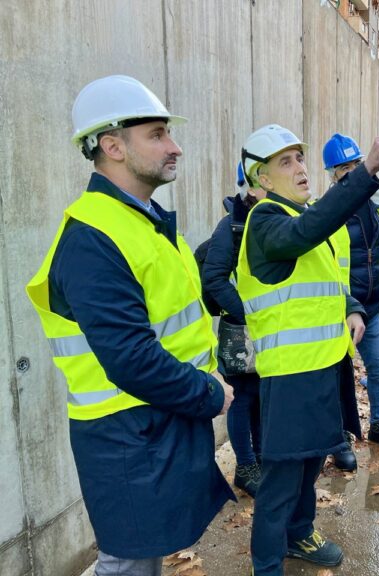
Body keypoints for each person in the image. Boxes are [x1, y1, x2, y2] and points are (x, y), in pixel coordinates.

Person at [25, 75, 235, 576]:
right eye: (158, 134)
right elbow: (131, 358)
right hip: (126, 436)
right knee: (127, 564)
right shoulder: (93, 237)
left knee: (143, 557)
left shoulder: (141, 220)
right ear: (112, 145)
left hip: (152, 426)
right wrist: (211, 394)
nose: (174, 146)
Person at [236, 124, 379, 575]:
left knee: (311, 461)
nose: (300, 169)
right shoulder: (267, 222)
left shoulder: (298, 215)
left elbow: (327, 276)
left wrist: (351, 307)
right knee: (281, 479)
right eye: (285, 162)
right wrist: (367, 168)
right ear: (262, 180)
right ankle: (267, 565)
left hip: (324, 367)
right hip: (290, 376)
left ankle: (300, 533)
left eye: (299, 158)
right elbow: (307, 233)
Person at [322, 133, 379, 472]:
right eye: (344, 167)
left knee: (378, 369)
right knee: (338, 378)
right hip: (340, 313)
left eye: (356, 163)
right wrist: (345, 307)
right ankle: (340, 437)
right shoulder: (327, 212)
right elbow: (326, 268)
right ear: (333, 173)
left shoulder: (377, 204)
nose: (352, 171)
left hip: (371, 309)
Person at [201, 161, 265, 497]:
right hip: (240, 331)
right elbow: (214, 278)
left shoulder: (274, 219)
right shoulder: (233, 226)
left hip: (268, 330)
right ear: (250, 187)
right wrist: (248, 314)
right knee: (242, 399)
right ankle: (246, 465)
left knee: (260, 398)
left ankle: (260, 459)